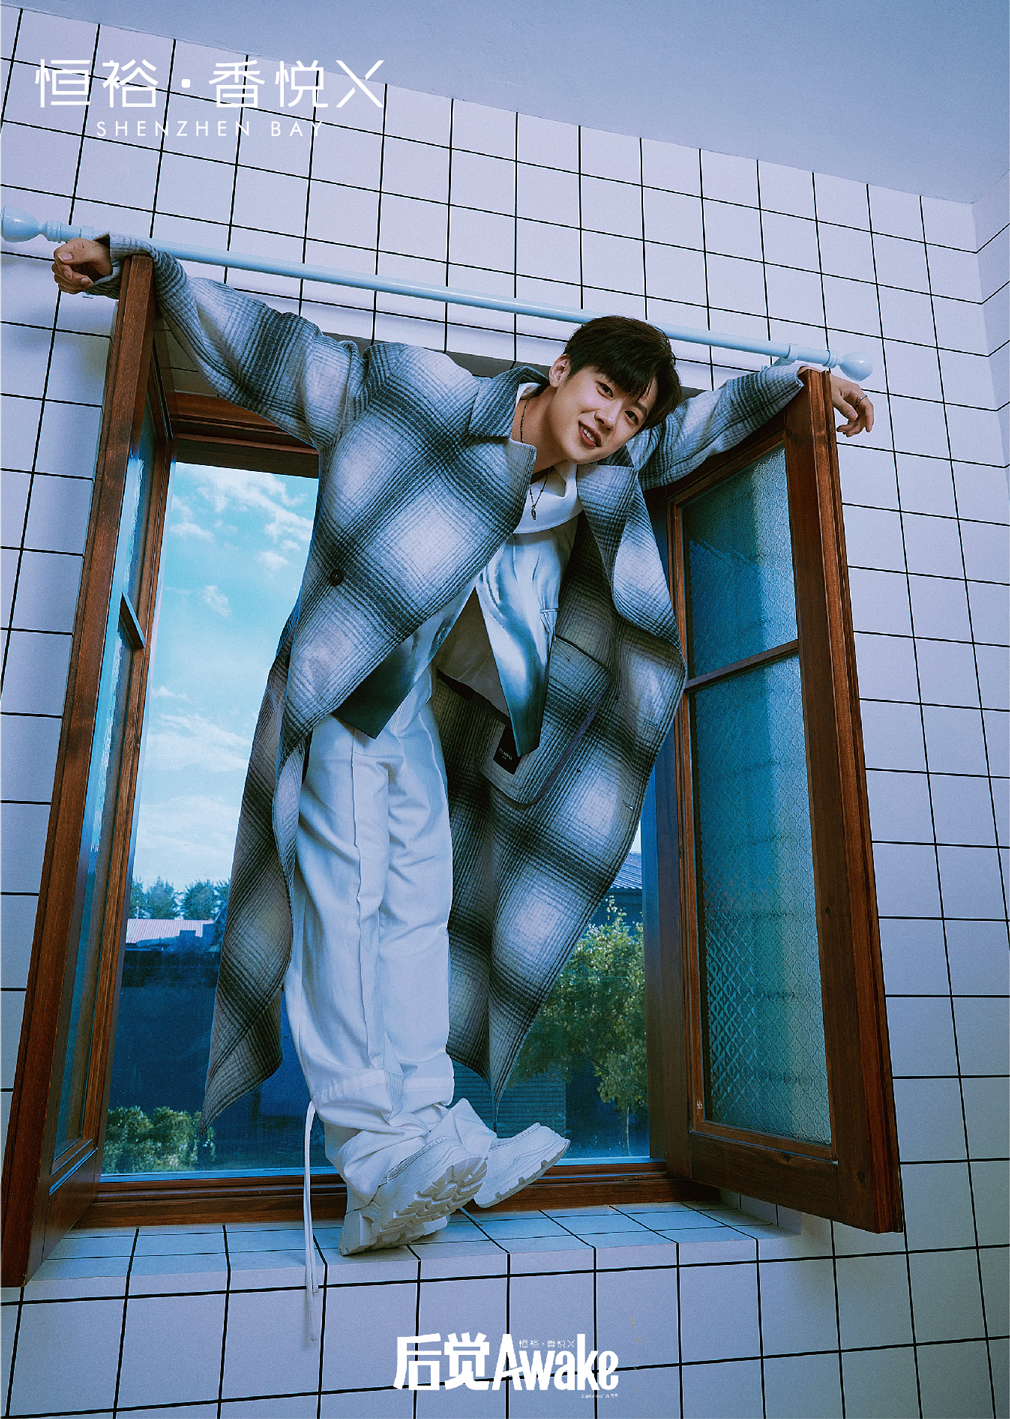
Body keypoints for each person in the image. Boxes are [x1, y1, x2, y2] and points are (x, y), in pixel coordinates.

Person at [52, 235, 873, 1252]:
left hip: (418, 718)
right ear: (560, 367)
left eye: (631, 414)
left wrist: (796, 385)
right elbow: (283, 351)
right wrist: (139, 271)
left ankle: (429, 1128)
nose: (612, 421)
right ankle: (369, 1158)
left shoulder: (599, 481)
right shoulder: (424, 395)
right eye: (606, 391)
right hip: (350, 688)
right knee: (345, 907)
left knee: (417, 910)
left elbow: (695, 431)